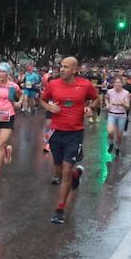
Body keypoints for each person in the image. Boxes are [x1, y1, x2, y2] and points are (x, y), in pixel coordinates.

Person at [40, 56, 99, 225]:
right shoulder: (53, 84)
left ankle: (60, 210)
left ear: (75, 69)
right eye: (61, 66)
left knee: (65, 170)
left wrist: (90, 107)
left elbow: (95, 98)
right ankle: (76, 174)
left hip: (75, 133)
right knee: (59, 170)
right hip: (56, 132)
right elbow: (42, 100)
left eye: (66, 66)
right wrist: (49, 107)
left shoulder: (85, 85)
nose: (62, 69)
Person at [105, 78, 131, 158]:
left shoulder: (126, 93)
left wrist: (122, 104)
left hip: (122, 115)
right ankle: (111, 143)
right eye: (116, 82)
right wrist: (108, 104)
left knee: (119, 136)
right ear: (113, 84)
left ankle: (117, 148)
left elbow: (127, 106)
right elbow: (106, 98)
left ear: (122, 84)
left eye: (119, 82)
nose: (118, 84)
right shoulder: (110, 91)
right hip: (112, 114)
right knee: (110, 132)